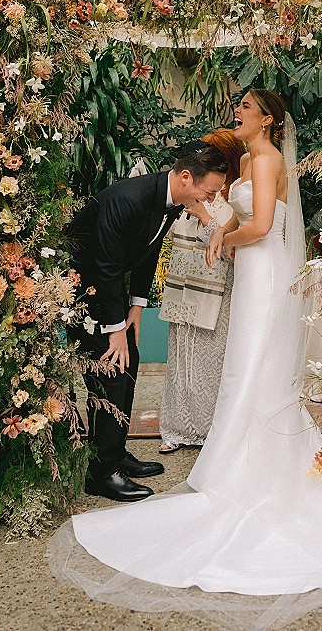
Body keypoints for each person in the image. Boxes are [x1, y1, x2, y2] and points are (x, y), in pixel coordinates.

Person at [52, 90, 322, 627]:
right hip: (245, 272)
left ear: (268, 119)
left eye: (247, 109)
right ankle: (141, 457)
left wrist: (223, 238)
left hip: (262, 268)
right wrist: (216, 237)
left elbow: (260, 227)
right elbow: (128, 253)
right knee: (241, 365)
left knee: (253, 363)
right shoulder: (240, 162)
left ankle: (232, 463)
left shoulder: (269, 159)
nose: (238, 114)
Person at [66, 146, 228, 502]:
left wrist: (136, 308)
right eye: (210, 192)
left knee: (129, 363)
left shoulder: (169, 200)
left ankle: (113, 452)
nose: (210, 200)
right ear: (186, 178)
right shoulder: (127, 198)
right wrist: (116, 330)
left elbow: (148, 250)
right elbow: (106, 266)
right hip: (77, 289)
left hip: (106, 290)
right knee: (113, 367)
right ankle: (102, 472)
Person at [158, 129, 246, 454]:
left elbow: (226, 247)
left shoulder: (228, 203)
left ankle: (208, 430)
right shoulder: (188, 196)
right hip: (182, 287)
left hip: (214, 293)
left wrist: (206, 216)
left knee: (207, 362)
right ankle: (174, 428)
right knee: (180, 360)